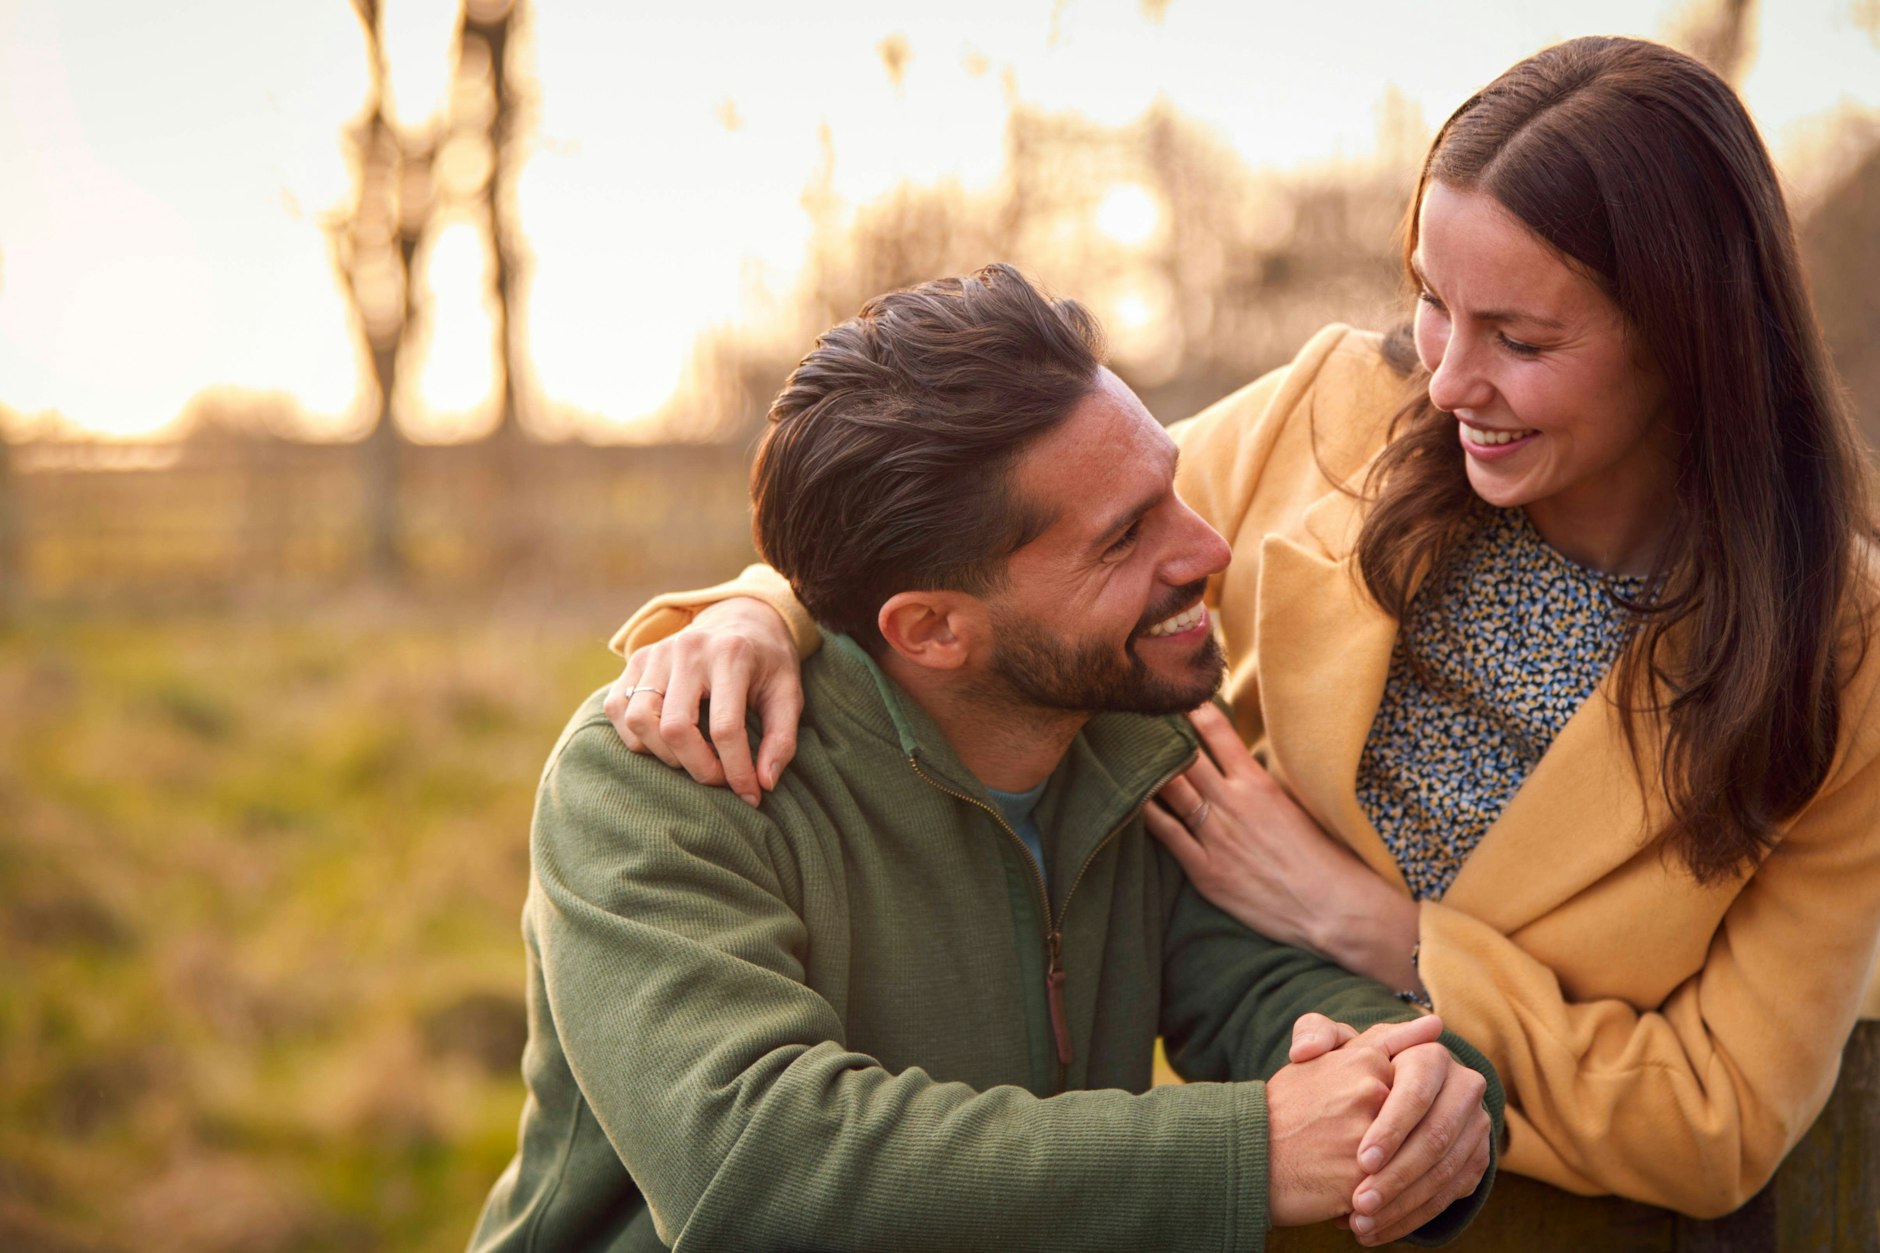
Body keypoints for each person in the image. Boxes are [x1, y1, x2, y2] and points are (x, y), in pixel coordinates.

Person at [605, 37, 1880, 1223]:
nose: (1446, 382)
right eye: (1432, 301)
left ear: (1686, 340)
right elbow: (997, 552)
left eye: (1519, 338)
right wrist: (753, 606)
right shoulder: (1342, 413)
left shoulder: (1841, 654)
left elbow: (1719, 1111)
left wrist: (1390, 939)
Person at [471, 265, 1502, 1253]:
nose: (1204, 551)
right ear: (929, 629)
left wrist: (1417, 1087)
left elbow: (1263, 988)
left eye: (1172, 493)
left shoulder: (1133, 746)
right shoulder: (658, 776)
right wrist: (1249, 1151)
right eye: (1124, 536)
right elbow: (754, 1160)